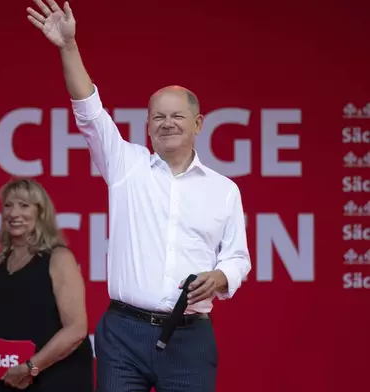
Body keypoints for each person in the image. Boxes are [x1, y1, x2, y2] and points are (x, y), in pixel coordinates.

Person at [25, 1, 252, 392]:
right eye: (157, 117)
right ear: (147, 125)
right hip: (123, 333)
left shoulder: (224, 190)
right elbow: (89, 111)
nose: (167, 124)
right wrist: (68, 47)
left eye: (177, 116)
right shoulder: (127, 166)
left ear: (198, 124)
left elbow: (238, 257)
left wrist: (220, 276)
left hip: (189, 338)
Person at [0, 178, 94, 391]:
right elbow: (2, 328)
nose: (13, 213)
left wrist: (31, 367)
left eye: (24, 205)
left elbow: (76, 330)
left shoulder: (59, 258)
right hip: (9, 380)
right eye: (8, 205)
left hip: (56, 379)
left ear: (40, 212)